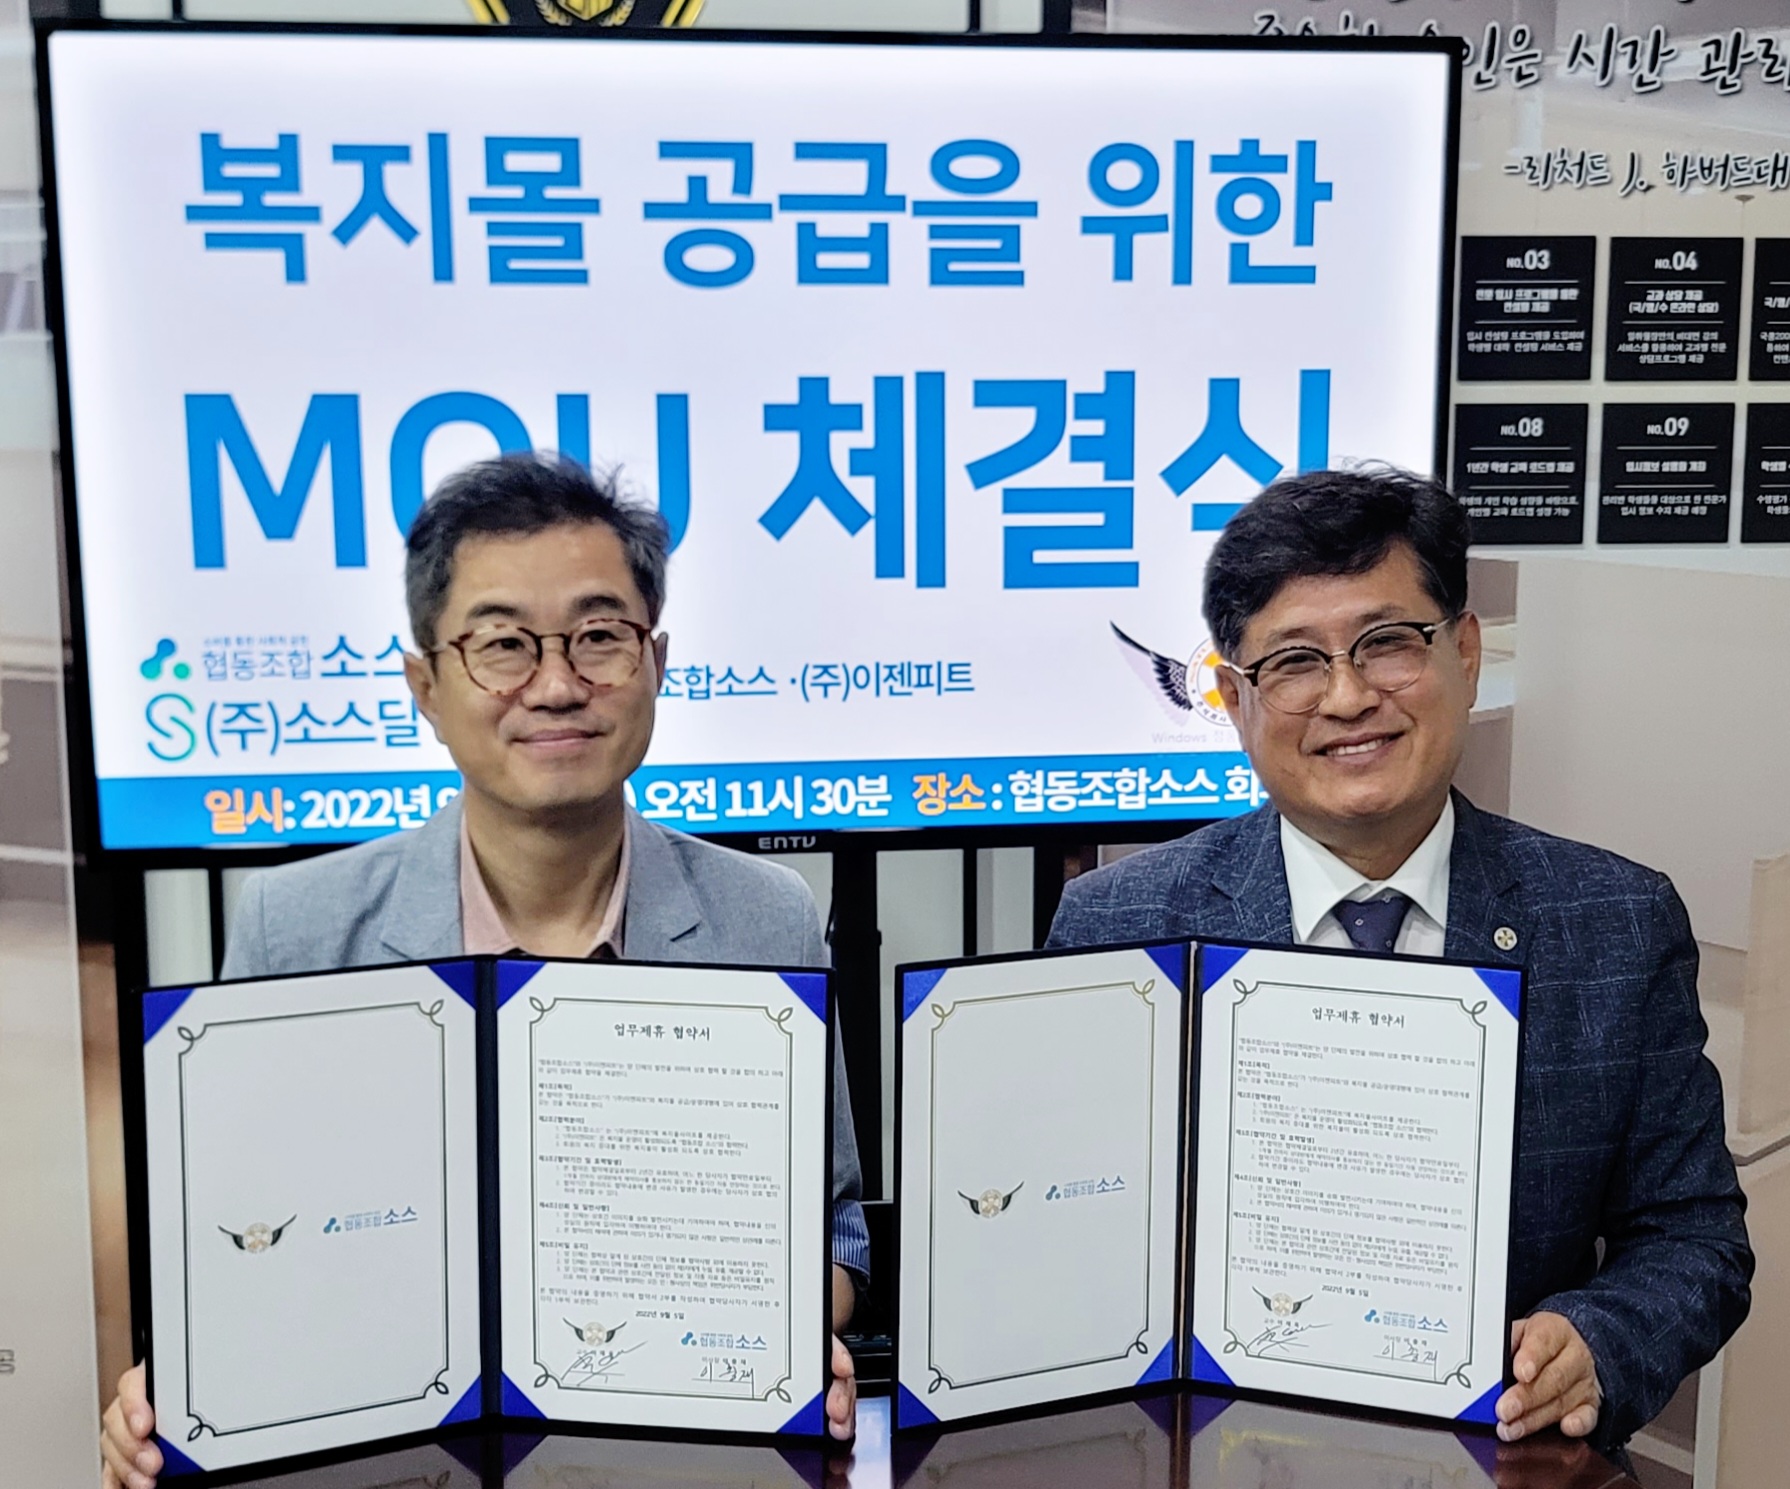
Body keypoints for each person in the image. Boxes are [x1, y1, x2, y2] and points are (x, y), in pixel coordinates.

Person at [101, 453, 866, 1489]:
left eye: (599, 636)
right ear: (425, 683)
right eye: (502, 644)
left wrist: (777, 1336)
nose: (555, 685)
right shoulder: (300, 930)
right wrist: (187, 1383)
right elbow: (242, 1249)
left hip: (679, 1456)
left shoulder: (762, 917)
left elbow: (835, 1233)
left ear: (656, 661)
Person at [1048, 467, 1752, 1457]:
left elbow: (1693, 1236)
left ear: (1463, 651)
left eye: (1387, 642)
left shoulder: (1613, 924)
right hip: (1195, 1453)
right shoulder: (1118, 925)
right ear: (1233, 699)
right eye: (1294, 661)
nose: (1347, 697)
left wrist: (1593, 1339)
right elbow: (1068, 1234)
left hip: (1498, 1452)